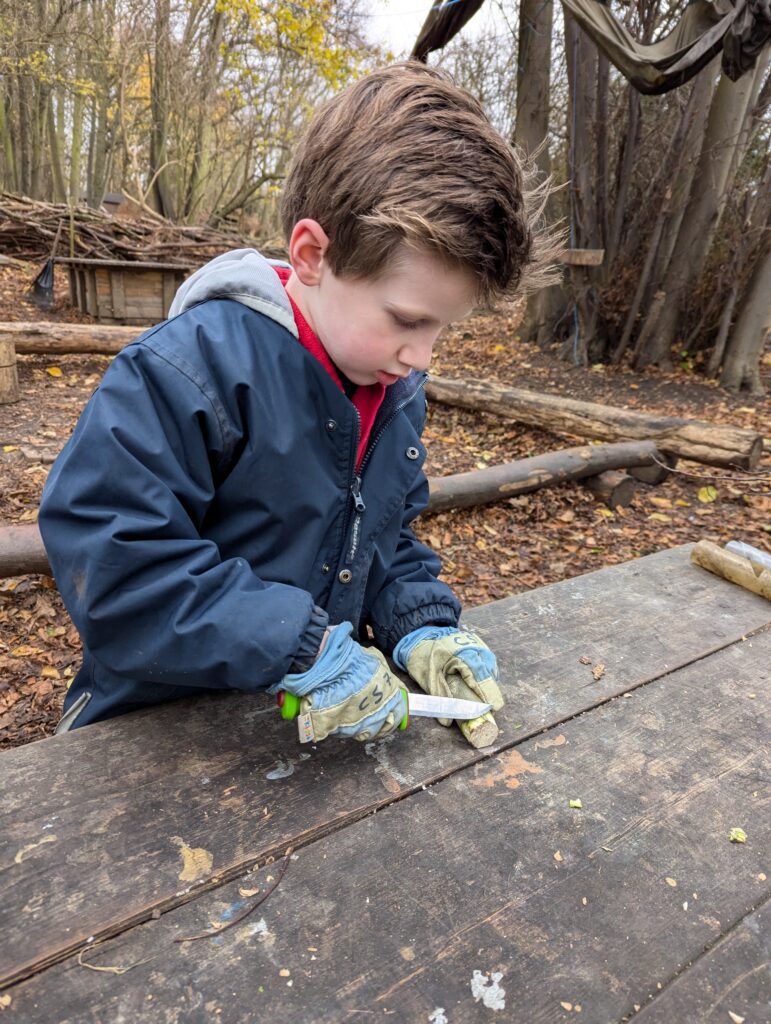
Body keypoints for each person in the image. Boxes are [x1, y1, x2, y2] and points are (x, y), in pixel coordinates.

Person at [39, 62, 552, 739]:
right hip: (152, 732)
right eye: (405, 319)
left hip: (302, 726)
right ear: (312, 254)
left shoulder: (390, 389)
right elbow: (116, 568)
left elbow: (383, 535)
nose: (421, 358)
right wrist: (297, 645)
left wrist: (418, 621)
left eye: (440, 328)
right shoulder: (187, 372)